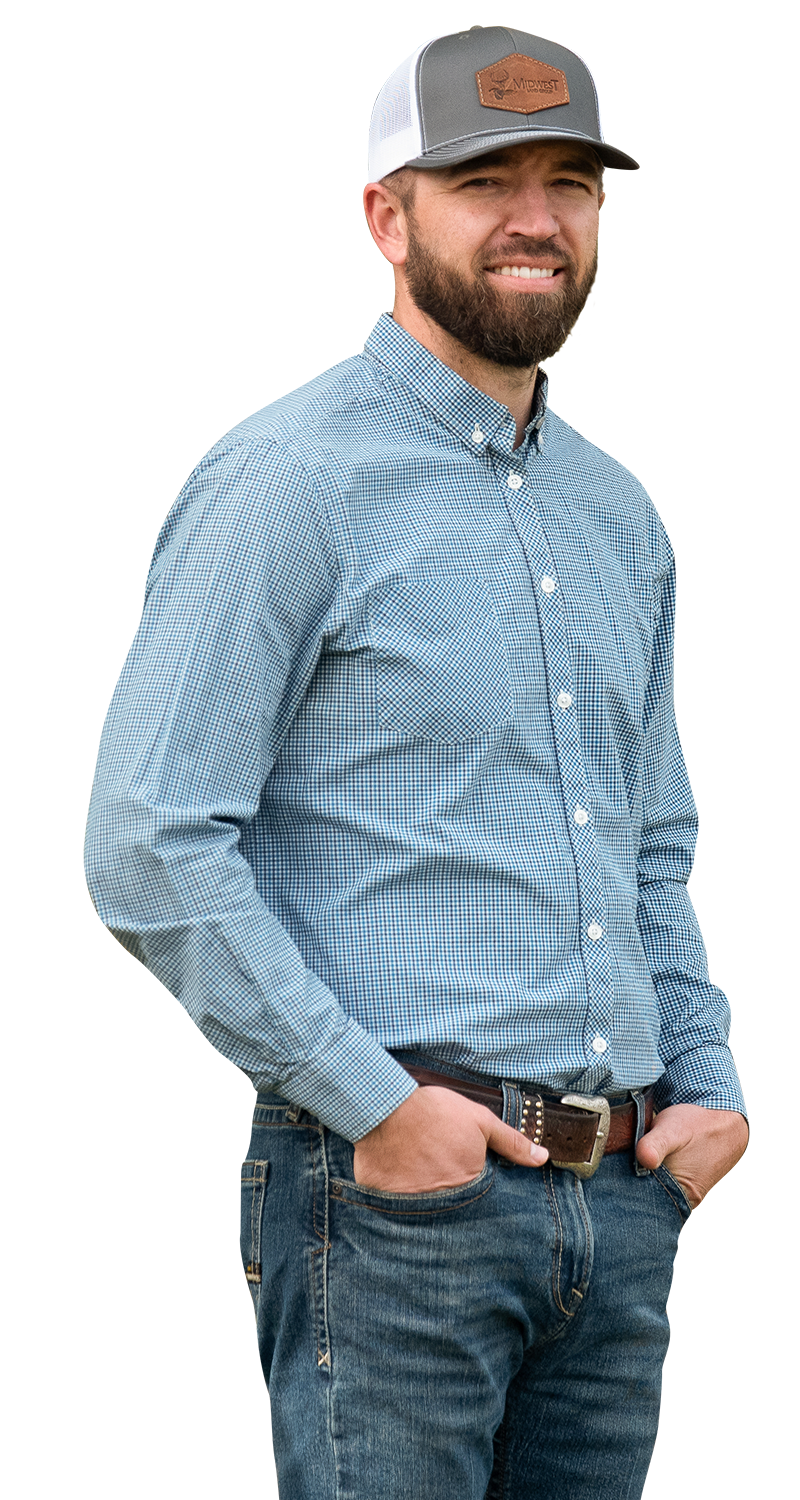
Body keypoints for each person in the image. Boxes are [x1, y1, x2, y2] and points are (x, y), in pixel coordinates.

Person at [85, 27, 749, 1500]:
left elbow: (648, 848)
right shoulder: (289, 484)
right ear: (387, 218)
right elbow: (150, 837)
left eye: (570, 183)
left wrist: (709, 1091)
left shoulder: (619, 516)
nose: (536, 218)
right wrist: (375, 1108)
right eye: (485, 180)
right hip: (399, 1211)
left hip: (621, 1206)